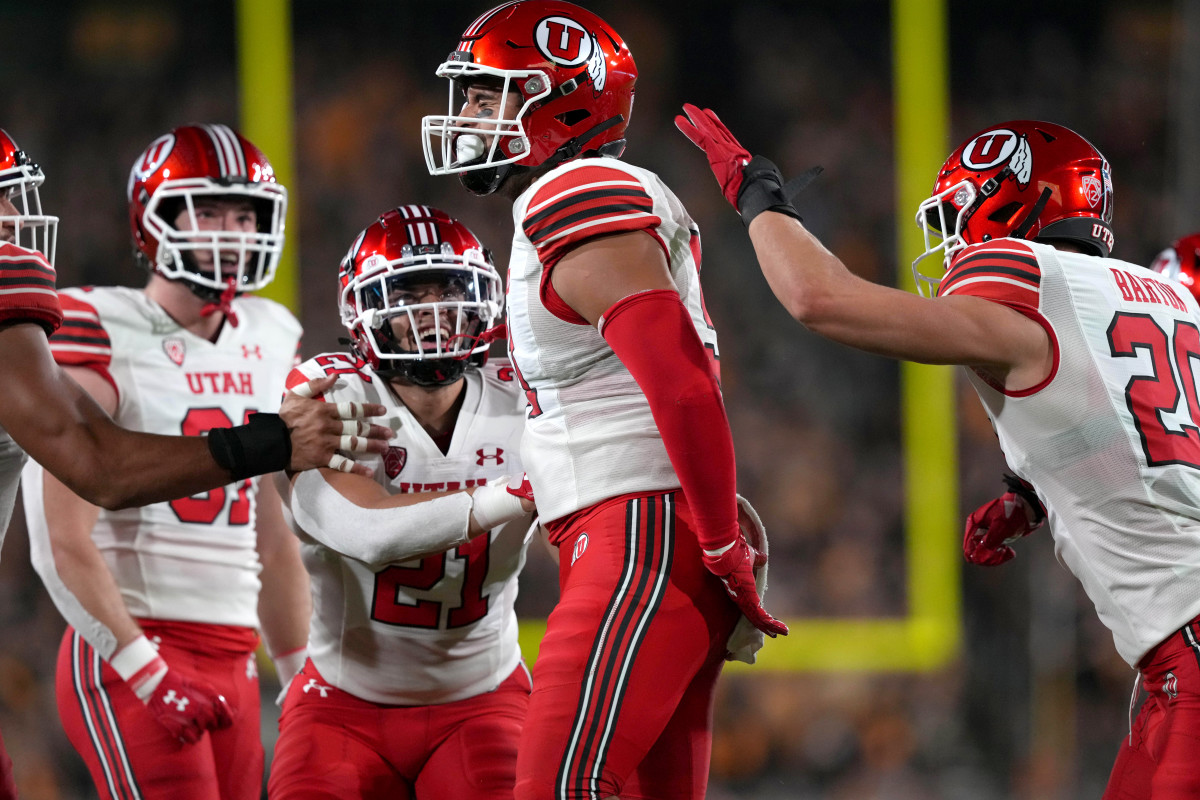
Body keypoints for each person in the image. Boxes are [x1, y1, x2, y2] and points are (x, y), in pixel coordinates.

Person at [677, 107, 1200, 798]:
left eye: (956, 215)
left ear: (1015, 203)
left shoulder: (1027, 276)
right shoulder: (1167, 293)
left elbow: (819, 299)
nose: (950, 243)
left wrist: (759, 197)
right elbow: (1150, 432)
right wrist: (1035, 489)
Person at [423, 5, 785, 798]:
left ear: (560, 97)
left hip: (641, 538)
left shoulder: (577, 189)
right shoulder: (574, 200)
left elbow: (680, 377)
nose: (469, 117)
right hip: (641, 531)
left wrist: (721, 540)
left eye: (488, 96)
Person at [0, 127, 387, 799]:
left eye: (245, 214)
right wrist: (145, 669)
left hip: (232, 648)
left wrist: (298, 670)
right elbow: (75, 514)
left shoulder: (270, 333)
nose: (231, 232)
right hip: (133, 640)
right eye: (207, 212)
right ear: (155, 218)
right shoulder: (94, 322)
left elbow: (269, 531)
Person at [267, 204, 537, 799]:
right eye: (411, 293)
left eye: (450, 289)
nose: (435, 311)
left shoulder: (524, 396)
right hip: (343, 703)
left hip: (484, 698)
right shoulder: (330, 392)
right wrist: (517, 492)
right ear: (362, 310)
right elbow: (367, 531)